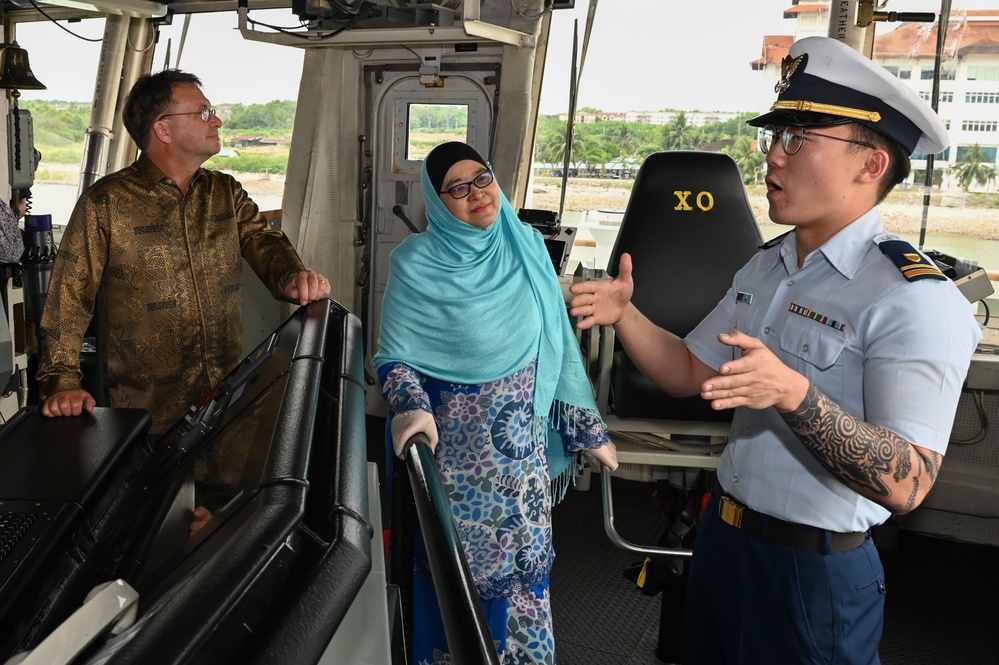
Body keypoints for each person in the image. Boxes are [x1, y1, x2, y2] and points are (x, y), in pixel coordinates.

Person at [569, 36, 982, 665]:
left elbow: (909, 483)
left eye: (798, 140)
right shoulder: (768, 267)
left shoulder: (914, 299)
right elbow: (688, 371)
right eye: (774, 139)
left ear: (870, 165)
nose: (772, 160)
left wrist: (794, 395)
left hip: (814, 572)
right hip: (724, 542)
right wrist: (626, 315)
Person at [372, 141, 617, 665]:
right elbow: (393, 357)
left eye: (481, 178)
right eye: (456, 189)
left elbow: (556, 342)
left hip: (523, 468)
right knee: (459, 590)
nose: (476, 195)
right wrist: (411, 406)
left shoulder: (526, 243)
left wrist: (584, 426)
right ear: (437, 203)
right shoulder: (414, 264)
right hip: (459, 471)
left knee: (526, 587)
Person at [36, 69, 330, 436]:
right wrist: (62, 382)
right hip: (144, 418)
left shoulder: (224, 191)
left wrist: (292, 277)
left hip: (224, 402)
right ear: (164, 129)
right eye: (204, 112)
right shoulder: (106, 203)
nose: (217, 120)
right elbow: (69, 298)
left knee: (226, 494)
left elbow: (263, 240)